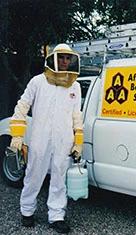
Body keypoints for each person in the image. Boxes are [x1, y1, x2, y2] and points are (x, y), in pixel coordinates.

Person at [9, 43, 84, 234]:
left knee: (59, 178)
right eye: (62, 58)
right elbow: (22, 106)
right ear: (53, 59)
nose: (65, 61)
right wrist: (17, 134)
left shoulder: (74, 85)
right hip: (39, 138)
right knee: (34, 175)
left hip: (64, 140)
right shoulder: (38, 82)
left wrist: (78, 141)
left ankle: (56, 216)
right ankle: (27, 211)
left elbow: (77, 115)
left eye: (68, 58)